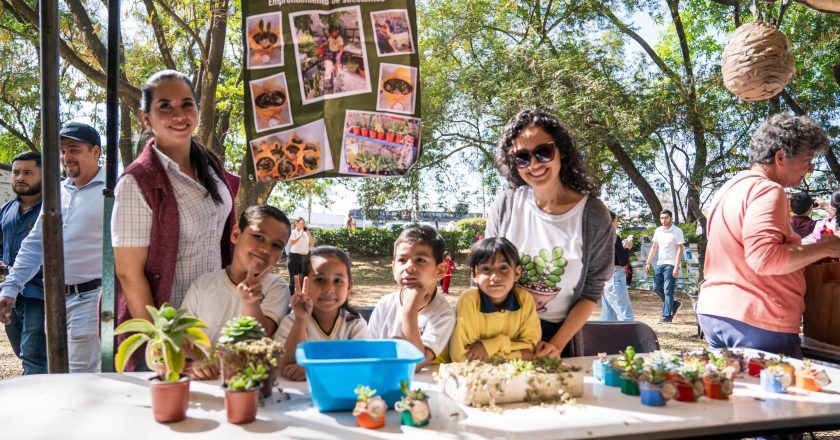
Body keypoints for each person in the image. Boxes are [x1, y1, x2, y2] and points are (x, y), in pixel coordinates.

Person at [112, 70, 239, 371]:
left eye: (186, 104)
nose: (179, 114)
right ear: (146, 118)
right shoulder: (137, 181)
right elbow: (129, 275)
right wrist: (168, 342)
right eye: (165, 106)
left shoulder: (209, 164)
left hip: (215, 320)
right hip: (170, 329)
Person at [697, 113, 840, 359]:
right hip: (758, 319)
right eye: (807, 160)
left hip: (716, 313)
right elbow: (765, 258)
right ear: (780, 157)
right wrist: (826, 247)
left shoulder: (729, 189)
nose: (811, 168)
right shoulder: (768, 190)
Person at [485, 110, 613, 358]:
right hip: (501, 332)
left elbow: (591, 291)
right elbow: (484, 272)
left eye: (543, 152)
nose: (533, 164)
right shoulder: (506, 205)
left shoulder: (594, 215)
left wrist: (556, 344)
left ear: (561, 150)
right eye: (522, 157)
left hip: (558, 338)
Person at [0, 122, 105, 372]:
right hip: (55, 299)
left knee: (76, 375)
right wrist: (11, 287)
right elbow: (36, 243)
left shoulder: (113, 189)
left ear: (95, 151)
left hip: (92, 298)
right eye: (62, 151)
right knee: (54, 372)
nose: (66, 157)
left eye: (74, 149)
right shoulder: (59, 191)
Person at [181, 205, 292, 379]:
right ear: (235, 234)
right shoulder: (203, 284)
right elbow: (183, 338)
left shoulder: (276, 287)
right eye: (258, 237)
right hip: (205, 382)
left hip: (251, 382)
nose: (265, 249)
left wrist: (251, 302)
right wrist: (195, 363)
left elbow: (261, 337)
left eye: (276, 245)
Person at [368, 226, 456, 371]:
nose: (409, 267)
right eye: (402, 260)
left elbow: (414, 363)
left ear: (440, 270)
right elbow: (370, 355)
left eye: (420, 260)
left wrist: (409, 312)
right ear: (393, 267)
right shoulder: (384, 305)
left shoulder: (443, 313)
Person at [277, 246, 370, 381]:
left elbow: (361, 366)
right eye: (320, 280)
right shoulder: (291, 322)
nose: (328, 289)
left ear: (349, 287)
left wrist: (312, 370)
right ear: (304, 283)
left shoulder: (355, 323)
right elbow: (285, 367)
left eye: (337, 281)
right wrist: (301, 320)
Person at [449, 237, 540, 362]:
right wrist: (515, 353)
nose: (495, 277)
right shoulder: (469, 301)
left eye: (503, 268)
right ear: (475, 274)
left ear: (517, 273)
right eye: (486, 269)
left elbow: (530, 349)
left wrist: (493, 346)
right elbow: (461, 357)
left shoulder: (525, 300)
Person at [0, 152, 46, 374]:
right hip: (11, 295)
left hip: (40, 294)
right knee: (22, 352)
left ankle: (40, 392)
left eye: (28, 172)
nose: (20, 177)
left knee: (33, 355)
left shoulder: (53, 209)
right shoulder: (7, 210)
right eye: (16, 172)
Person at [644, 209, 684, 323]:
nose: (663, 220)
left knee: (668, 290)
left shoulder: (677, 231)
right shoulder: (658, 230)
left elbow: (680, 250)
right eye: (662, 218)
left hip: (671, 264)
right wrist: (648, 262)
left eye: (666, 218)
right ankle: (674, 304)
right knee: (656, 288)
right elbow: (654, 247)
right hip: (660, 264)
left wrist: (676, 267)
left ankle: (667, 316)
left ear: (671, 218)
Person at [601, 211, 635, 321]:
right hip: (615, 276)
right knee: (625, 314)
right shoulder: (614, 236)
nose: (617, 223)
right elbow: (622, 261)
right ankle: (629, 332)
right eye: (616, 220)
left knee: (608, 315)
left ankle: (604, 333)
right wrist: (627, 248)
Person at [287, 218, 314, 295]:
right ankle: (291, 298)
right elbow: (291, 242)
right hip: (294, 257)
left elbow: (312, 245)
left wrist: (308, 233)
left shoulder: (306, 233)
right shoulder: (293, 232)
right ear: (296, 223)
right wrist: (300, 234)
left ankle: (302, 297)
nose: (303, 224)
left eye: (304, 222)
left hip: (304, 258)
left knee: (303, 279)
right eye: (301, 222)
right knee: (293, 280)